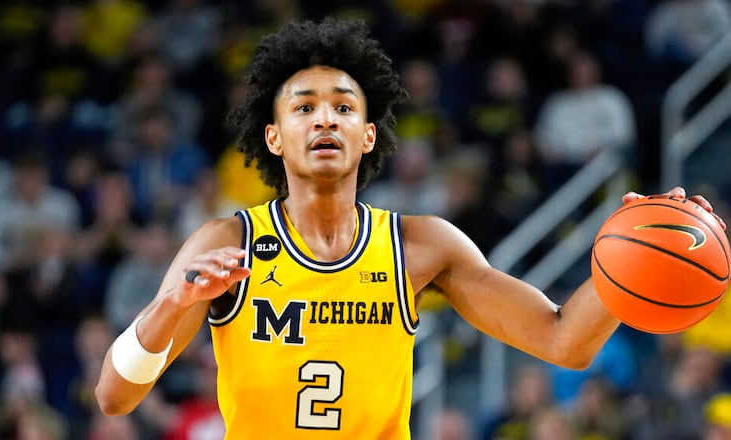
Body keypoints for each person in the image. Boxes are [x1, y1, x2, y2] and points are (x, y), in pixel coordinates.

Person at [95, 17, 726, 439]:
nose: (325, 121)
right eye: (304, 108)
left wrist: (641, 252)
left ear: (367, 135)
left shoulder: (422, 246)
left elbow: (564, 341)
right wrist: (174, 304)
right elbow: (114, 397)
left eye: (344, 107)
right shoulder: (225, 244)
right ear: (274, 136)